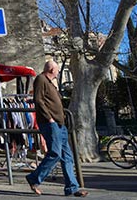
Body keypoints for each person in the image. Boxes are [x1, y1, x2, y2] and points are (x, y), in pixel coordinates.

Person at [26, 61, 88, 198]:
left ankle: (72, 187)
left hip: (60, 124)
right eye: (58, 70)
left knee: (67, 156)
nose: (58, 73)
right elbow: (39, 100)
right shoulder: (41, 79)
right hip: (51, 124)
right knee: (55, 153)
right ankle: (34, 178)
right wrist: (50, 118)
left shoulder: (49, 82)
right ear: (52, 69)